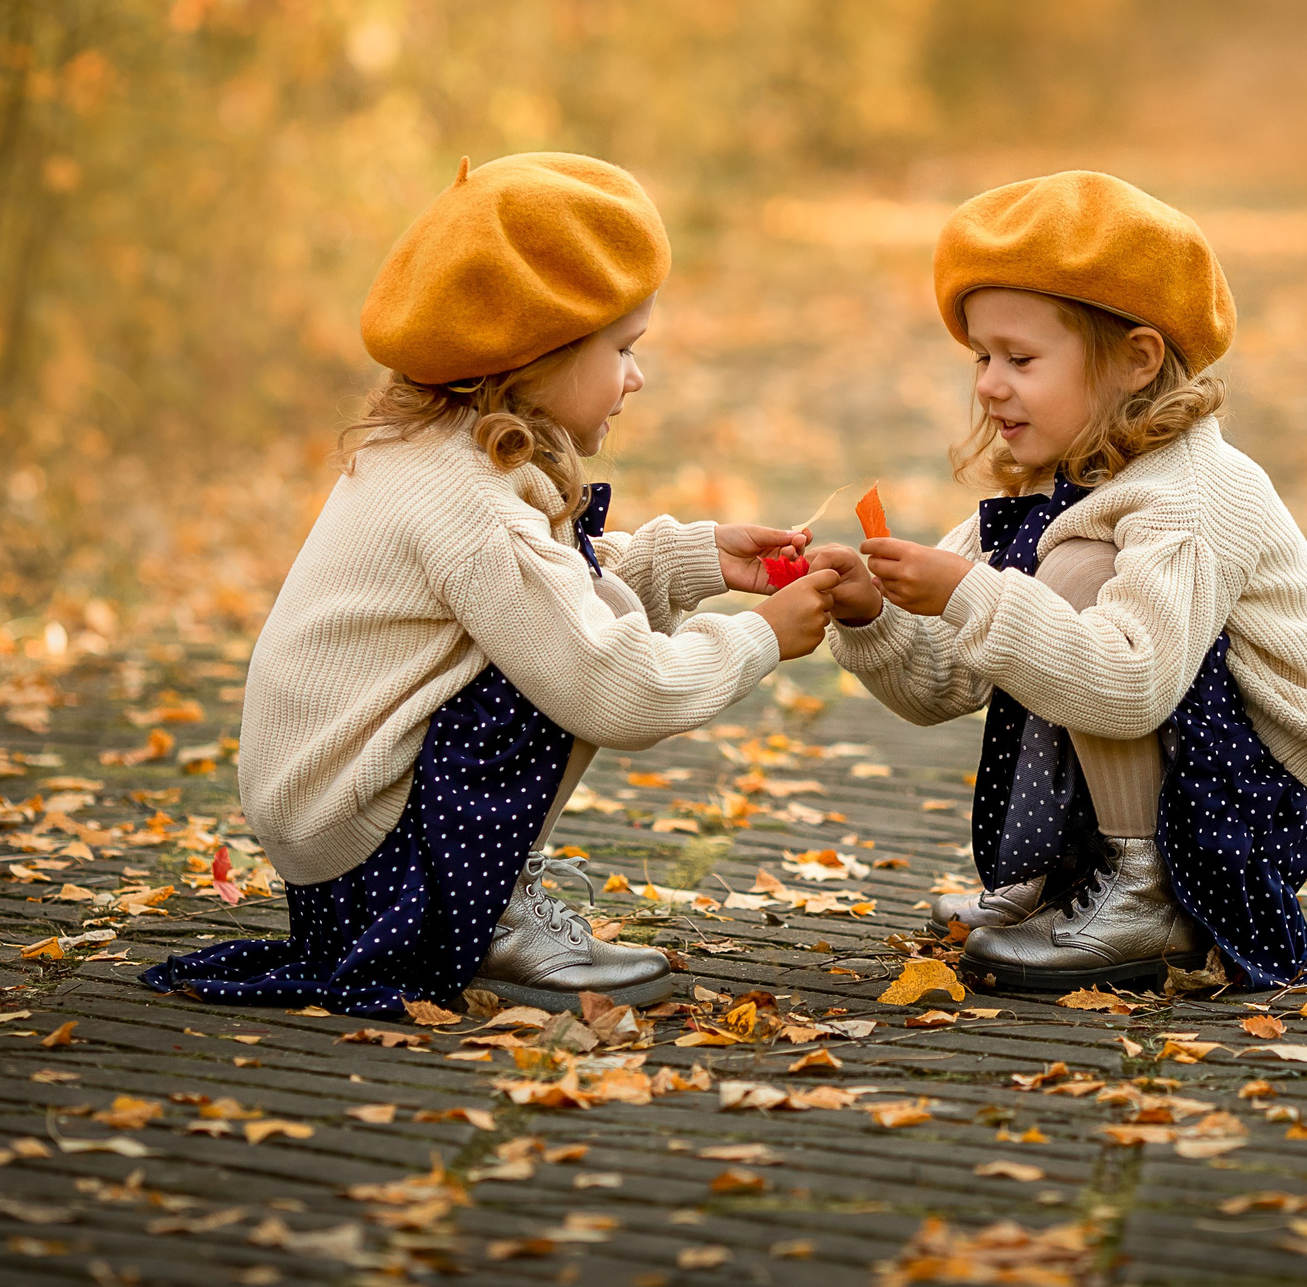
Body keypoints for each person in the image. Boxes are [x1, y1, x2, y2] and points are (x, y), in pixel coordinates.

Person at [144, 153, 838, 1020]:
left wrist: (695, 560)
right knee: (571, 657)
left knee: (562, 627)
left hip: (334, 830)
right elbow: (614, 686)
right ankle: (487, 917)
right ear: (534, 354)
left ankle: (484, 896)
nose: (638, 376)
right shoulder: (471, 504)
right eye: (622, 350)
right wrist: (765, 633)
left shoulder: (441, 445)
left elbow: (547, 590)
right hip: (372, 853)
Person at [808, 171, 1307, 991]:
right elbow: (944, 682)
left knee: (1071, 573)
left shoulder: (1192, 493)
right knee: (1046, 597)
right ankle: (1070, 877)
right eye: (982, 356)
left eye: (1020, 358)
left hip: (1250, 798)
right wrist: (871, 618)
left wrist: (972, 590)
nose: (989, 383)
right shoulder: (1048, 481)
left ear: (1136, 359)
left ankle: (1150, 891)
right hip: (1181, 750)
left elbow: (1132, 686)